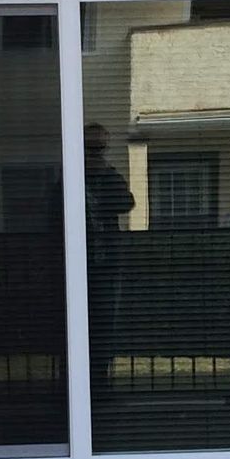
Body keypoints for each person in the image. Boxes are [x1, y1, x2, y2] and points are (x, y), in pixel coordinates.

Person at [83, 125, 134, 389]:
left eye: (98, 147)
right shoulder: (70, 176)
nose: (93, 153)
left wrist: (105, 175)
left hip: (105, 263)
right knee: (79, 323)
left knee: (103, 323)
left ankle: (99, 381)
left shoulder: (109, 176)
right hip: (78, 264)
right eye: (90, 147)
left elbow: (127, 202)